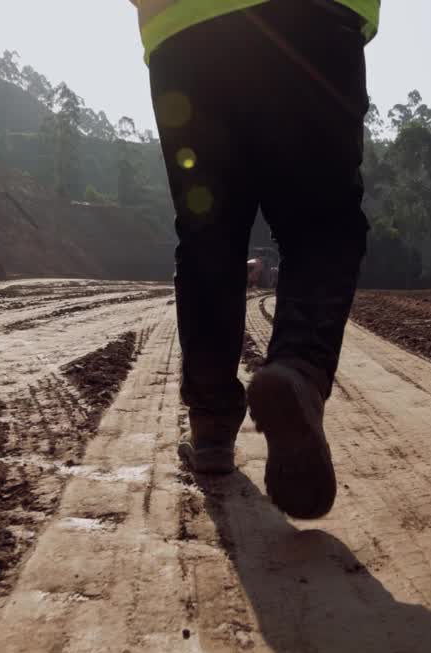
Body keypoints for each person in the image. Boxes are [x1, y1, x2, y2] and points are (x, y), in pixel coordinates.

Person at [132, 0, 380, 520]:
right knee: (321, 222)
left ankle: (211, 423)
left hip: (182, 32)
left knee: (208, 232)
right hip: (312, 23)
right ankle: (298, 370)